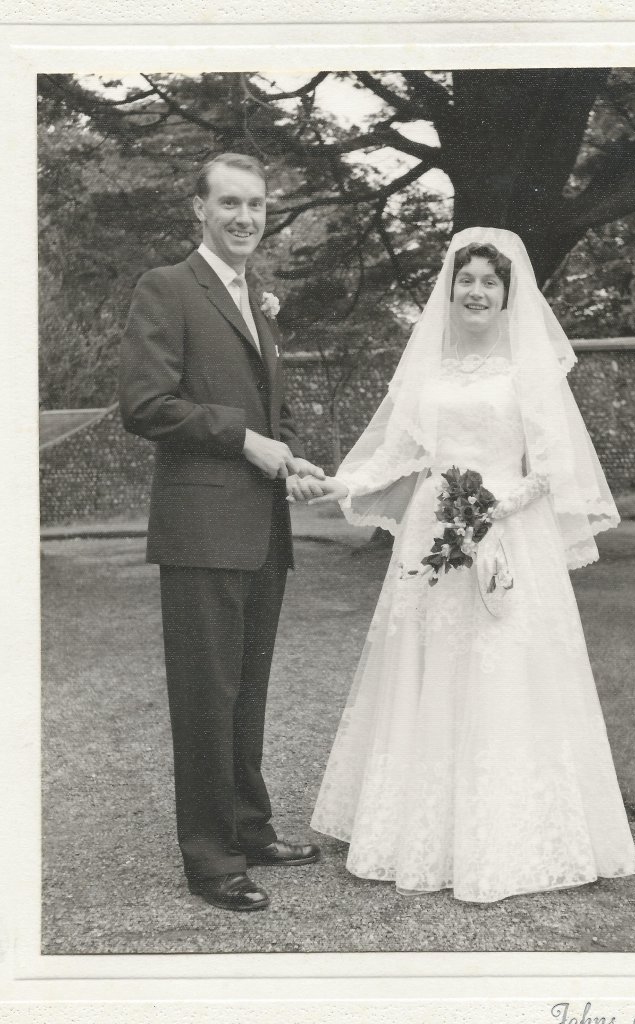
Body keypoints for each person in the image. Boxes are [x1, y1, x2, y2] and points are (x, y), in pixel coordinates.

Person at [303, 227, 635, 904]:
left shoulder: (527, 373)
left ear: (508, 294)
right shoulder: (427, 372)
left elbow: (549, 469)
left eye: (490, 281)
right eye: (466, 280)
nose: (476, 292)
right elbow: (396, 454)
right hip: (432, 539)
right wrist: (340, 484)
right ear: (449, 290)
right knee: (428, 667)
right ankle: (419, 828)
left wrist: (491, 505)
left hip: (507, 536)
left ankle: (511, 834)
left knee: (503, 669)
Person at [119, 153, 325, 913]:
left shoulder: (255, 299)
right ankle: (210, 858)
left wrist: (290, 457)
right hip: (201, 529)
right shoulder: (168, 288)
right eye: (230, 203)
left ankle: (248, 825)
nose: (246, 218)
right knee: (207, 696)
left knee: (247, 692)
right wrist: (244, 440)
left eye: (258, 206)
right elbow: (146, 403)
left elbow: (273, 411)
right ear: (198, 209)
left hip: (261, 527)